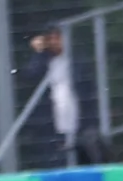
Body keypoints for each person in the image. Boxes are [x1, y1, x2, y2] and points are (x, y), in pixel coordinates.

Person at [27, 27, 104, 168]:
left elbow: (87, 88)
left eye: (58, 38)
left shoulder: (76, 60)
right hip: (54, 123)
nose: (55, 42)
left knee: (86, 160)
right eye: (51, 39)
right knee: (57, 162)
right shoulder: (46, 62)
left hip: (79, 120)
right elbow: (32, 75)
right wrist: (39, 52)